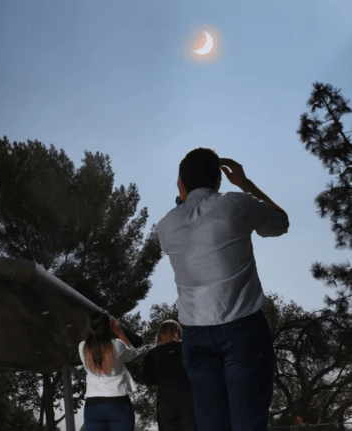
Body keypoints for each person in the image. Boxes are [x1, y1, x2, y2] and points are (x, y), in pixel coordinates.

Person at [156, 148, 289, 431]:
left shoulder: (165, 226)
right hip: (243, 329)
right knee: (248, 424)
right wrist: (245, 184)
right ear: (218, 179)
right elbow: (280, 223)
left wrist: (183, 194)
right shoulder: (237, 204)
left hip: (195, 336)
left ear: (181, 183)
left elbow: (187, 211)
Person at [79, 309, 140, 431]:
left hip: (93, 405)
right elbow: (133, 353)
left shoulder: (83, 347)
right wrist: (119, 332)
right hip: (118, 403)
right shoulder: (118, 345)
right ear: (109, 327)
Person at [142, 320, 196, 431]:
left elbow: (148, 380)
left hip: (166, 401)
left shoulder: (153, 353)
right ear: (178, 331)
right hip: (189, 398)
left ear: (161, 333)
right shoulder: (187, 347)